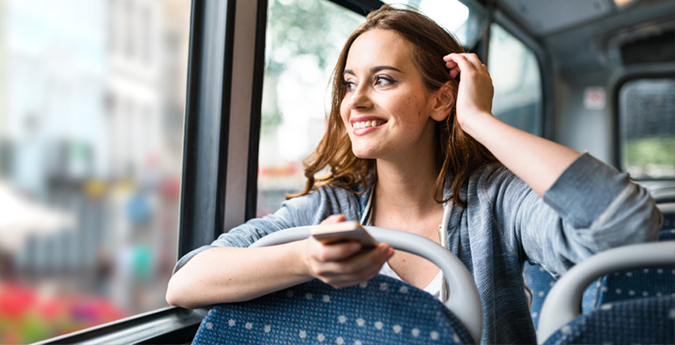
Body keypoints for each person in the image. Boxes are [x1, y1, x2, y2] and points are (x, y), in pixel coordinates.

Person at [166, 5, 661, 344]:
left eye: (383, 80)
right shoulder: (329, 208)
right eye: (348, 84)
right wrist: (305, 258)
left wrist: (481, 121)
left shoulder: (493, 201)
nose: (355, 102)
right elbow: (186, 282)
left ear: (441, 99)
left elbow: (623, 226)